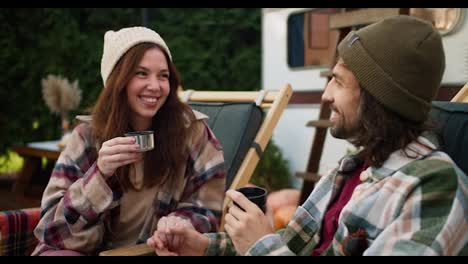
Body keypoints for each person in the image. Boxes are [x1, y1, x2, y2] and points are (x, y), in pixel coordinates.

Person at [147, 15, 468, 256]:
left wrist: (261, 244)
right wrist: (202, 246)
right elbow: (292, 245)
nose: (325, 95)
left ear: (378, 96)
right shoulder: (352, 168)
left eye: (338, 82)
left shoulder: (434, 187)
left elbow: (270, 249)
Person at [31, 26, 226, 256]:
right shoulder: (88, 136)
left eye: (163, 75)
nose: (155, 86)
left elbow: (209, 211)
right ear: (118, 80)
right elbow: (52, 232)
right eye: (141, 73)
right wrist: (100, 175)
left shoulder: (192, 132)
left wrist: (178, 223)